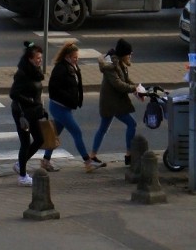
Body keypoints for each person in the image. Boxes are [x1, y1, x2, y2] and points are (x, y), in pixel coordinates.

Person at [42, 39, 104, 173]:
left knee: (55, 135)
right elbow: (53, 89)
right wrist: (67, 99)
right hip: (59, 107)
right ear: (67, 57)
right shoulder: (60, 68)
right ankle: (88, 162)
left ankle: (46, 161)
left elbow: (76, 85)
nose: (77, 60)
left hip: (66, 107)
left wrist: (76, 100)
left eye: (77, 57)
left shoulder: (73, 67)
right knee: (77, 132)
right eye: (75, 57)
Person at [90, 38, 145, 167]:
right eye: (129, 54)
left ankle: (92, 155)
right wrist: (134, 88)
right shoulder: (111, 67)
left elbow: (126, 79)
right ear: (123, 54)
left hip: (113, 101)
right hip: (112, 103)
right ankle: (128, 154)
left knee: (103, 128)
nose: (130, 56)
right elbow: (119, 84)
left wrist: (137, 89)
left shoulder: (119, 63)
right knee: (131, 124)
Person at [9, 39, 46, 186]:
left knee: (39, 139)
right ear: (30, 59)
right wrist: (30, 101)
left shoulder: (35, 72)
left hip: (34, 111)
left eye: (41, 58)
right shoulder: (22, 74)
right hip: (22, 113)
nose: (40, 61)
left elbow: (36, 92)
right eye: (37, 58)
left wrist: (40, 108)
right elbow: (13, 93)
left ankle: (20, 164)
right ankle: (23, 176)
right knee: (25, 143)